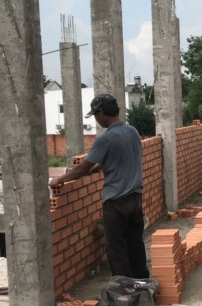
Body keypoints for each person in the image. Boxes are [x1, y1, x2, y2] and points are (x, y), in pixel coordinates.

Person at [49, 94, 149, 279]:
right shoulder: (132, 131)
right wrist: (100, 166)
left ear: (101, 113)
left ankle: (124, 287)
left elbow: (82, 169)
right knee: (135, 243)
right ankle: (142, 282)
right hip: (135, 197)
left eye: (95, 115)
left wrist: (60, 180)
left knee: (116, 247)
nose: (96, 119)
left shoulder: (105, 139)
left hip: (116, 201)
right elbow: (123, 157)